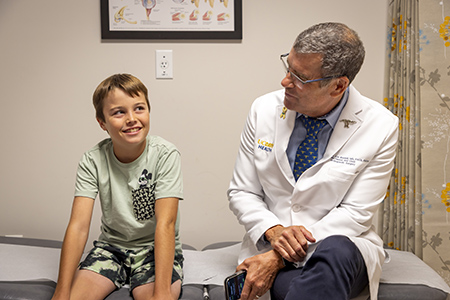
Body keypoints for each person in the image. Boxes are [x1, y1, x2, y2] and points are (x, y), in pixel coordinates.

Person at [227, 22, 399, 300]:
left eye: (300, 77)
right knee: (291, 288)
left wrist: (278, 258)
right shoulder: (263, 109)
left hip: (340, 246)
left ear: (338, 86)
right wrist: (274, 231)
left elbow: (355, 214)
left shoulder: (381, 125)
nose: (285, 82)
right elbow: (242, 191)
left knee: (337, 250)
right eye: (288, 68)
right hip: (273, 240)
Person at [51, 74, 184, 300]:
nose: (131, 118)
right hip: (110, 250)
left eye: (139, 108)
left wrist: (161, 294)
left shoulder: (165, 154)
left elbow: (166, 223)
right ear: (102, 122)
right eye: (119, 112)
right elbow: (79, 226)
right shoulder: (92, 160)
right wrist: (61, 293)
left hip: (154, 251)